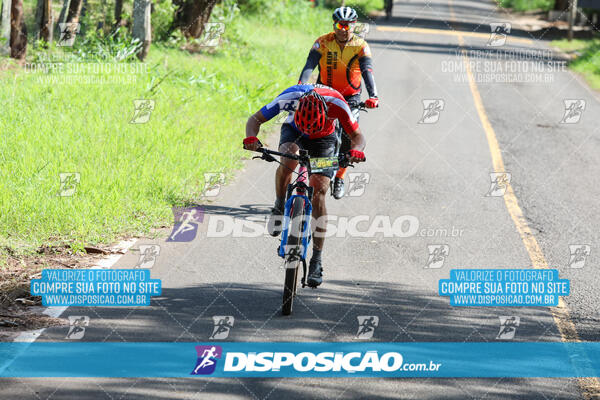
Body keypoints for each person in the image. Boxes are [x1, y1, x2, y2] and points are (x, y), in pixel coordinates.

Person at [243, 84, 366, 287]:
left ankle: (316, 260)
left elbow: (357, 136)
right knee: (289, 159)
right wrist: (251, 138)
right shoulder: (289, 96)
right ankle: (280, 204)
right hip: (294, 132)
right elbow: (255, 119)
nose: (309, 129)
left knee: (319, 191)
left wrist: (356, 151)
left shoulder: (337, 103)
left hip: (324, 139)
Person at [298, 6, 379, 199]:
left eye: (347, 25)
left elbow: (367, 71)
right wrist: (301, 85)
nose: (343, 29)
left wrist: (373, 95)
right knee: (318, 132)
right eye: (339, 25)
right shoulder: (322, 42)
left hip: (350, 98)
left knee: (348, 141)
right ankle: (313, 169)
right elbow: (309, 65)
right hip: (324, 94)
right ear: (334, 25)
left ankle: (340, 176)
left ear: (354, 25)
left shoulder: (361, 46)